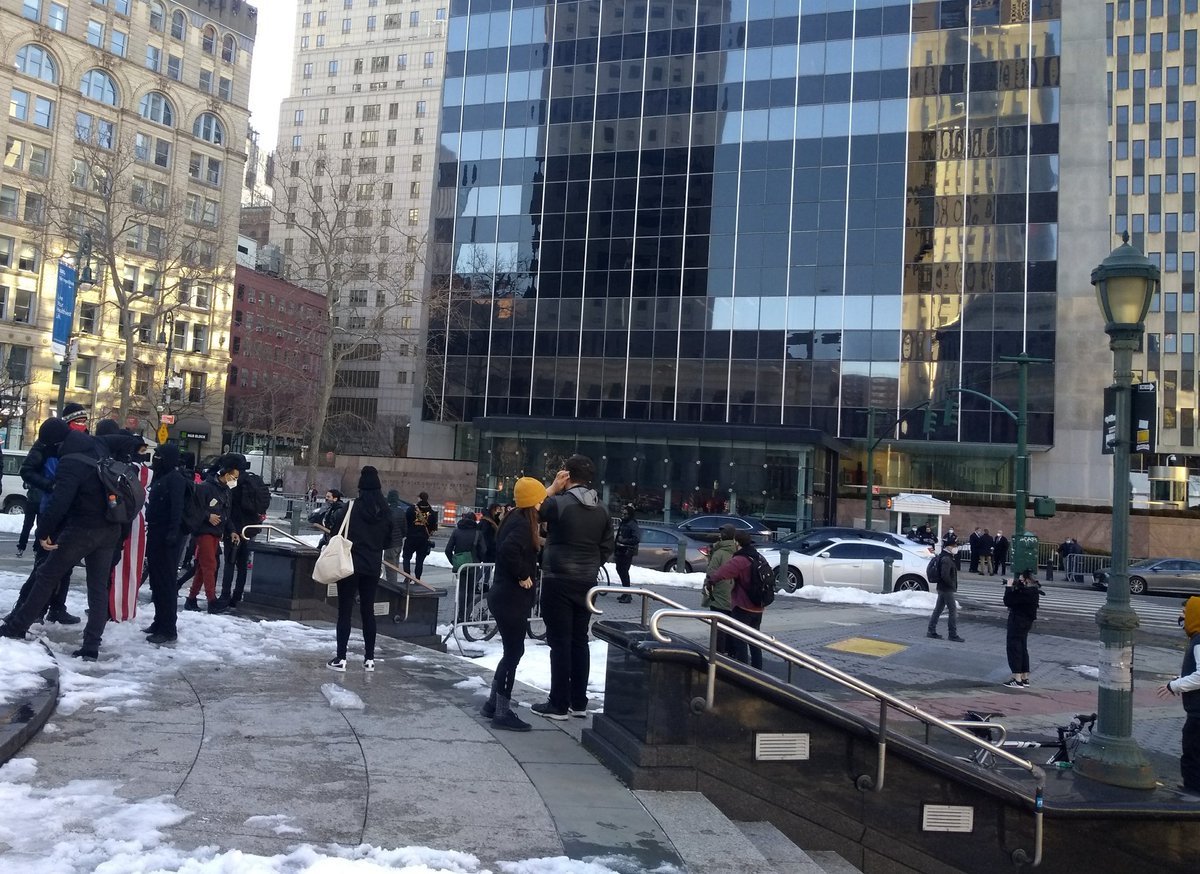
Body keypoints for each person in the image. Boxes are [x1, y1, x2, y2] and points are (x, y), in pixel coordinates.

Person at [0, 424, 124, 659]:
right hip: (110, 527)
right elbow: (126, 440)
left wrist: (43, 532)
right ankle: (91, 646)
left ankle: (16, 627)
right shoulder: (98, 444)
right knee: (98, 587)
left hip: (81, 529)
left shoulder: (71, 462)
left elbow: (60, 503)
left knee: (47, 575)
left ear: (56, 443)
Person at [532, 455, 613, 720]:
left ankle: (558, 703)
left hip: (558, 579)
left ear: (566, 474)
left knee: (560, 642)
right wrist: (590, 565)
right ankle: (578, 703)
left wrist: (552, 487)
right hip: (586, 582)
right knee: (580, 640)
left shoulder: (558, 503)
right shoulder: (602, 509)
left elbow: (530, 509)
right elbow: (606, 548)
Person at [482, 477, 546, 731]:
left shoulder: (513, 516)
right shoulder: (522, 524)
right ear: (533, 502)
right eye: (541, 499)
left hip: (503, 597)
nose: (544, 502)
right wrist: (523, 575)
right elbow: (509, 551)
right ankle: (502, 711)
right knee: (513, 653)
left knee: (511, 652)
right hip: (511, 599)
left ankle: (492, 704)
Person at [5, 418, 78, 626]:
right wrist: (50, 486)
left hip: (63, 513)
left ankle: (51, 608)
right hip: (50, 509)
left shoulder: (74, 446)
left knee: (59, 566)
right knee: (44, 566)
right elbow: (28, 471)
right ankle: (24, 611)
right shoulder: (46, 447)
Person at [327, 466, 393, 672]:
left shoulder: (351, 507)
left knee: (344, 611)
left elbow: (335, 531)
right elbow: (389, 541)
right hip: (372, 566)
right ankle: (369, 659)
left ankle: (341, 658)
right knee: (368, 611)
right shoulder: (385, 511)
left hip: (349, 565)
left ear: (360, 487)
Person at [184, 456, 240, 614]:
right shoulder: (205, 488)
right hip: (204, 531)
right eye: (233, 477)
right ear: (225, 474)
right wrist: (208, 516)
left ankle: (192, 598)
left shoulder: (226, 490)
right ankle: (211, 600)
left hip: (215, 531)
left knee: (204, 566)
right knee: (209, 565)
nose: (234, 480)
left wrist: (232, 530)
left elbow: (226, 515)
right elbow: (194, 508)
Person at [143, 443, 187, 644]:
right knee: (157, 582)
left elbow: (177, 508)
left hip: (168, 537)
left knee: (166, 582)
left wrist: (172, 533)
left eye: (160, 456)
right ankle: (159, 621)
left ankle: (168, 627)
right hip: (155, 533)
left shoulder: (175, 479)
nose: (156, 459)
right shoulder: (161, 477)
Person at [704, 531, 768, 668]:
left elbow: (722, 572)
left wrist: (711, 581)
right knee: (755, 640)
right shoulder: (758, 556)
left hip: (743, 606)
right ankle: (758, 669)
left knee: (740, 640)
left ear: (737, 543)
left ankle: (742, 670)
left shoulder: (741, 560)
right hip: (758, 606)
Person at [1158, 596, 1200, 795]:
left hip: (1198, 711)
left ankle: (1192, 794)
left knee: (1192, 750)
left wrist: (1174, 685)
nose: (1181, 618)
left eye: (1185, 613)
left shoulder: (1199, 640)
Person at [219, 455, 271, 610]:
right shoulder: (254, 480)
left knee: (230, 562)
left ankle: (225, 595)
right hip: (250, 528)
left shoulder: (233, 481)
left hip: (235, 527)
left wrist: (230, 528)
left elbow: (228, 504)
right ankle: (237, 596)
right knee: (242, 564)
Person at [701, 524, 741, 658]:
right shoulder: (737, 550)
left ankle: (718, 653)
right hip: (734, 592)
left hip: (719, 592)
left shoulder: (719, 552)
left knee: (718, 625)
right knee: (731, 624)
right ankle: (732, 652)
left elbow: (711, 572)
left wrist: (708, 587)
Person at [1001, 570, 1041, 688]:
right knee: (1022, 647)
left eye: (1022, 580)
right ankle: (1025, 676)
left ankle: (1017, 677)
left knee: (1014, 647)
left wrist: (1008, 588)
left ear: (1027, 581)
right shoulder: (1034, 591)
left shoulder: (1025, 593)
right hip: (1026, 622)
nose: (1020, 582)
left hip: (1017, 621)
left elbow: (1008, 601)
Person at [445, 508, 483, 621]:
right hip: (474, 565)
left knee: (462, 590)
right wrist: (478, 560)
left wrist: (454, 562)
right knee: (471, 591)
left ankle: (461, 615)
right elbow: (483, 550)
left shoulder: (456, 531)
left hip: (461, 566)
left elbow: (448, 550)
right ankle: (468, 615)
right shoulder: (477, 533)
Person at [926, 533, 964, 642]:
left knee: (938, 609)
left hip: (942, 587)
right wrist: (951, 584)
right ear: (949, 547)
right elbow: (945, 575)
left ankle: (931, 631)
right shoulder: (947, 559)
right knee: (952, 611)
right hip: (946, 588)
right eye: (954, 546)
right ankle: (952, 634)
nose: (956, 548)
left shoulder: (943, 556)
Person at [402, 491, 438, 579]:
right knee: (420, 560)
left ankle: (407, 577)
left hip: (411, 537)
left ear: (419, 498)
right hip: (423, 539)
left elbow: (405, 522)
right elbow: (433, 527)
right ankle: (417, 578)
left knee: (406, 558)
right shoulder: (431, 512)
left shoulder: (411, 509)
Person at [613, 504, 641, 603]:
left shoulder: (632, 524)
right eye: (622, 513)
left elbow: (636, 538)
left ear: (629, 514)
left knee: (623, 572)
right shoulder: (624, 523)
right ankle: (625, 592)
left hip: (626, 552)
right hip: (621, 550)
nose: (622, 515)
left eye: (625, 513)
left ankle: (627, 594)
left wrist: (624, 540)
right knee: (621, 571)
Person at [383, 490, 407, 584]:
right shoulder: (401, 511)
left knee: (390, 568)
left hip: (389, 544)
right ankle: (394, 583)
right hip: (398, 543)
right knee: (395, 566)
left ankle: (392, 588)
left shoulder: (387, 512)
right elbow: (405, 529)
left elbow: (384, 528)